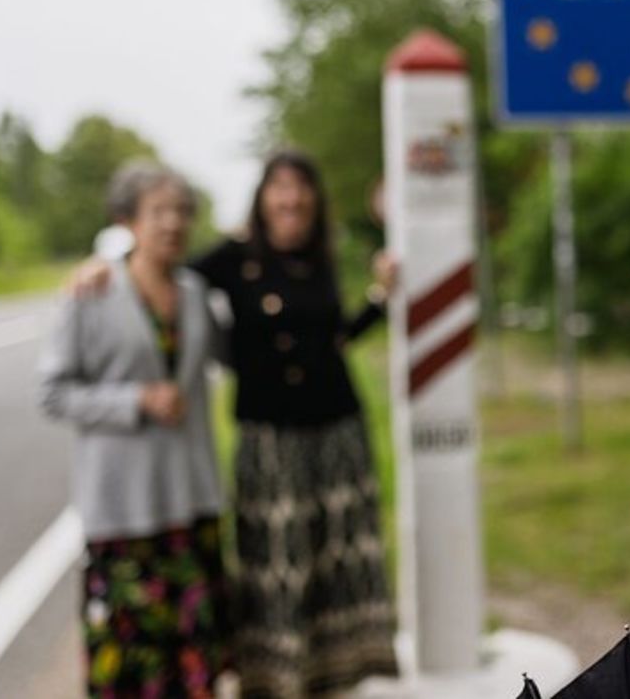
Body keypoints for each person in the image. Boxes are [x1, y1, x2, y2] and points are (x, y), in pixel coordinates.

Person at [73, 149, 399, 697]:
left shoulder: (321, 258)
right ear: (263, 197)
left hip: (336, 428)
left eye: (301, 186)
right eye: (280, 186)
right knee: (276, 565)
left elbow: (334, 338)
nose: (291, 197)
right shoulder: (232, 258)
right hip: (268, 438)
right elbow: (161, 270)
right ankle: (278, 678)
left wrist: (380, 299)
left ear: (315, 198)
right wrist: (104, 264)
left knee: (335, 559)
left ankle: (334, 674)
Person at [40, 162, 229, 698]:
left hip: (192, 505)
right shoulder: (92, 294)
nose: (173, 223)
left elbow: (237, 353)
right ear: (129, 221)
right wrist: (136, 400)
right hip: (125, 514)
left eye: (183, 211)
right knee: (132, 670)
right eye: (159, 211)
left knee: (195, 665)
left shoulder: (196, 294)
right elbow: (52, 393)